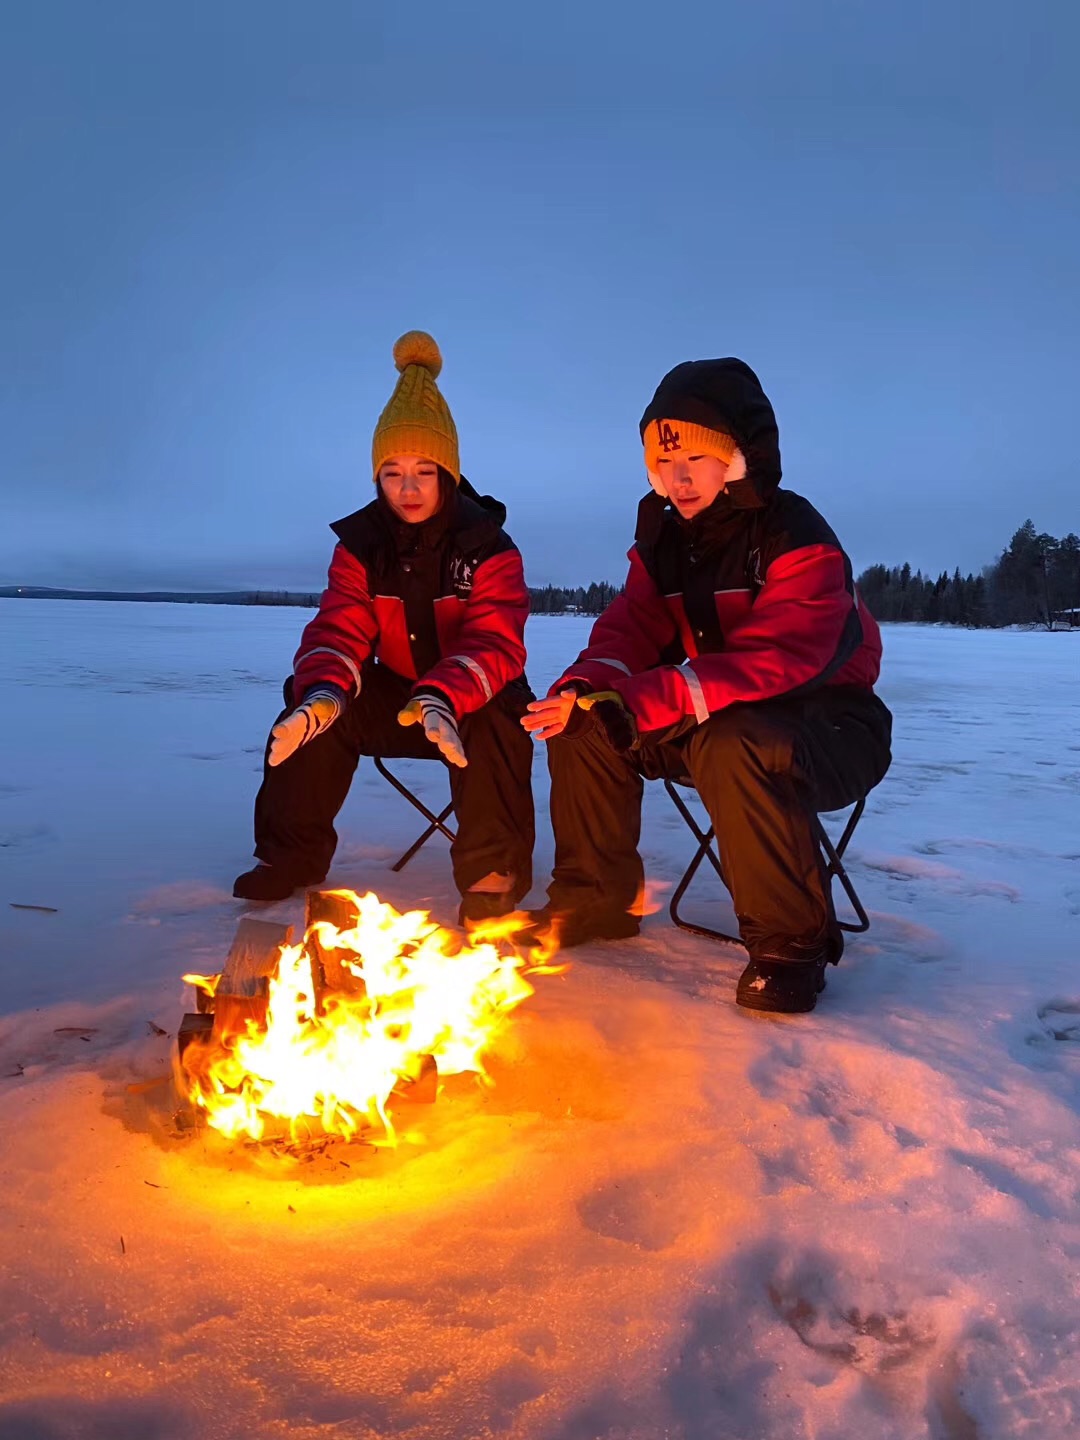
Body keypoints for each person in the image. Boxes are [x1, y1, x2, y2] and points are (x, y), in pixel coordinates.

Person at [523, 356, 891, 1013]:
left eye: (693, 457)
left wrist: (654, 696)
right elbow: (629, 628)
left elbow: (780, 656)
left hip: (830, 727)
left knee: (732, 739)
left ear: (740, 456)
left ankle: (789, 946)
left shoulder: (794, 534)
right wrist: (590, 686)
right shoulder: (663, 542)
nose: (677, 477)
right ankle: (594, 899)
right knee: (585, 722)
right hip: (707, 714)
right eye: (663, 464)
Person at [234, 331, 535, 922]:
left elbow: (495, 642)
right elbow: (339, 630)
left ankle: (491, 875)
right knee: (311, 712)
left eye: (424, 469)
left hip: (467, 696)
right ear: (377, 477)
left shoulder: (490, 548)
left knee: (501, 717)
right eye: (393, 472)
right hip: (394, 694)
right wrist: (322, 694)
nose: (409, 487)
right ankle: (289, 857)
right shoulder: (360, 548)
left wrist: (443, 696)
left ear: (448, 472)